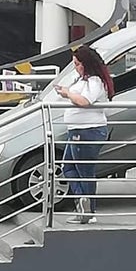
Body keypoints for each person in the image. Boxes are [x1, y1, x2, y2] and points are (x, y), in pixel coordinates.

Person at [55, 46, 114, 225]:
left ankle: (87, 209)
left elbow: (84, 101)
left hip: (87, 131)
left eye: (78, 64)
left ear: (86, 64)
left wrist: (68, 93)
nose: (76, 67)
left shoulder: (95, 81)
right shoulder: (85, 80)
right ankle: (83, 204)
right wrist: (67, 92)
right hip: (78, 130)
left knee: (84, 171)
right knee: (69, 167)